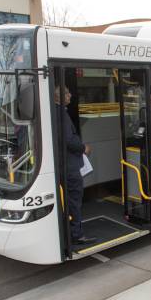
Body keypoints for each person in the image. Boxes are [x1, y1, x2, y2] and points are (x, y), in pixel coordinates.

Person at [55, 86, 95, 245]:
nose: (70, 94)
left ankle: (70, 231)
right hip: (70, 167)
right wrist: (83, 148)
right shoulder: (61, 114)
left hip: (64, 165)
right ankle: (76, 234)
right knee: (74, 201)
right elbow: (68, 140)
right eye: (67, 92)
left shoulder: (55, 111)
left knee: (70, 201)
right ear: (59, 96)